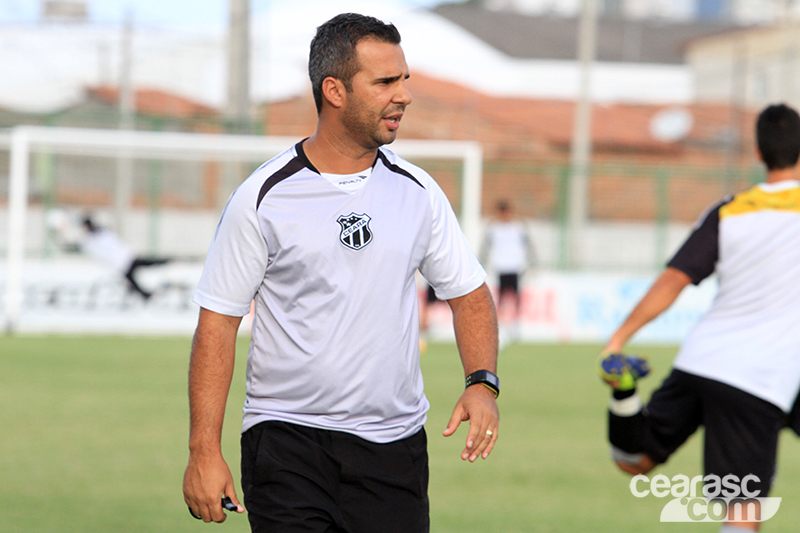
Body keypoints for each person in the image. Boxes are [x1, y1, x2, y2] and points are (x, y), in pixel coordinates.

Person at [182, 13, 500, 532]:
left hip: (394, 449)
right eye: (385, 82)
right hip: (287, 444)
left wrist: (482, 383)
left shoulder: (418, 193)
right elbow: (217, 322)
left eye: (405, 80)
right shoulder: (264, 197)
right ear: (334, 90)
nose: (404, 96)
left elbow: (468, 294)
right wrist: (203, 451)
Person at [598, 103, 800, 533]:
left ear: (759, 153)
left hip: (704, 360)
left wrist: (619, 338)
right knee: (742, 511)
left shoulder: (729, 210)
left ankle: (625, 394)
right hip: (760, 376)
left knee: (636, 460)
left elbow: (674, 279)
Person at [79, 214, 169, 300]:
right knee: (136, 278)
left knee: (146, 265)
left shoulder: (100, 234)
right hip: (121, 262)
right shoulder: (89, 239)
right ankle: (145, 294)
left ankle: (167, 263)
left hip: (125, 258)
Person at [480, 199, 535, 334]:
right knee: (501, 297)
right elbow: (485, 248)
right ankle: (502, 324)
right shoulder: (493, 228)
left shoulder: (518, 227)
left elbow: (528, 246)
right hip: (501, 266)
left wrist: (532, 263)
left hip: (515, 266)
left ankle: (516, 324)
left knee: (516, 296)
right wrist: (482, 264)